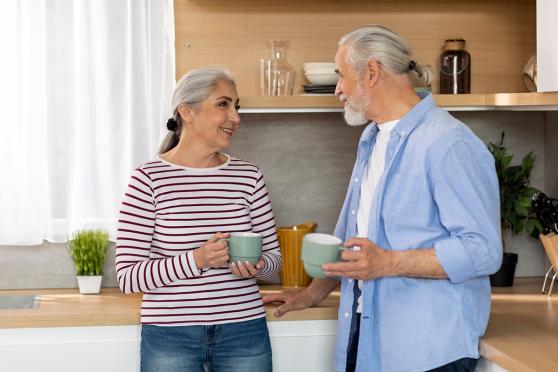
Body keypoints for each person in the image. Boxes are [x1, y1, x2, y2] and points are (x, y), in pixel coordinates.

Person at [264, 25, 501, 372]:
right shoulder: (372, 139)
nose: (338, 90)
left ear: (371, 73)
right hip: (368, 338)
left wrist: (388, 263)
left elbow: (483, 250)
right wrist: (312, 294)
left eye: (341, 76)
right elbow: (350, 241)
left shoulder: (448, 143)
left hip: (428, 351)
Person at [116, 67, 281, 372]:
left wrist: (256, 266)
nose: (236, 117)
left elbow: (275, 264)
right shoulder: (148, 180)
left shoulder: (249, 177)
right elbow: (128, 277)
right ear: (187, 112)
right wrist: (198, 259)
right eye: (223, 104)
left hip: (244, 329)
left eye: (236, 106)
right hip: (170, 334)